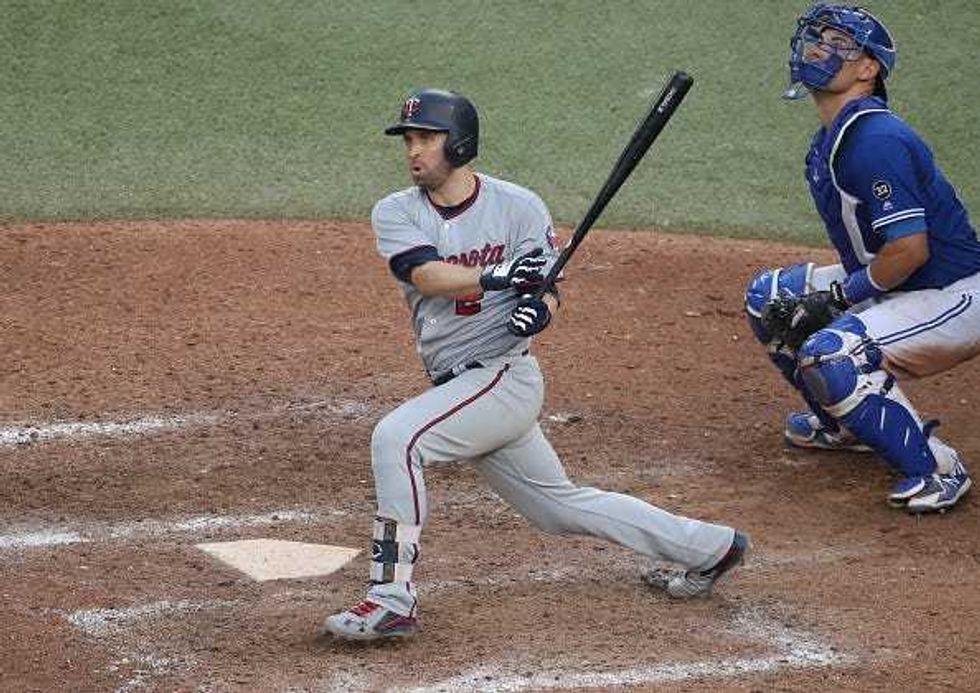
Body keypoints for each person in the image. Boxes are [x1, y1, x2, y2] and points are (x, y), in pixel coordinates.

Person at [322, 87, 750, 641]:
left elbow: (548, 290)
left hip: (502, 376)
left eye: (426, 138)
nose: (413, 150)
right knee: (557, 507)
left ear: (460, 142)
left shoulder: (519, 207)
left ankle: (390, 596)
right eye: (408, 139)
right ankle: (712, 547)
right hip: (464, 385)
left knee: (398, 439)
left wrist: (538, 311)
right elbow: (427, 276)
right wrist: (501, 276)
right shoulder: (396, 211)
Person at [745, 5, 980, 514]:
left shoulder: (875, 140)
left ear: (868, 68)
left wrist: (839, 296)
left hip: (955, 293)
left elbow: (909, 250)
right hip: (904, 285)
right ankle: (844, 425)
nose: (818, 49)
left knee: (833, 353)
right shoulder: (836, 135)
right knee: (771, 299)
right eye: (817, 38)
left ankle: (938, 468)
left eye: (838, 43)